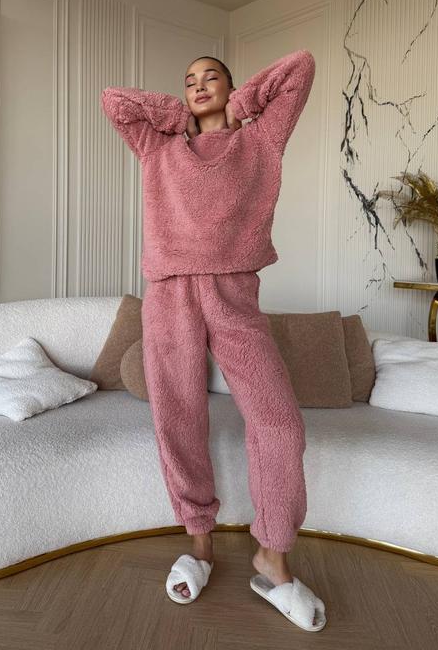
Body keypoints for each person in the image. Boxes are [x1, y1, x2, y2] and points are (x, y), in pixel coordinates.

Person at [101, 49, 326, 631]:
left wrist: (243, 106)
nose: (199, 86)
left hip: (234, 293)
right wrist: (177, 116)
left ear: (231, 85)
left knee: (280, 421)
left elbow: (299, 68)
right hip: (169, 292)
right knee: (177, 416)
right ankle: (199, 544)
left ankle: (272, 556)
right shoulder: (158, 146)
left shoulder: (261, 139)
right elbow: (115, 102)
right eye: (189, 80)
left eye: (212, 77)